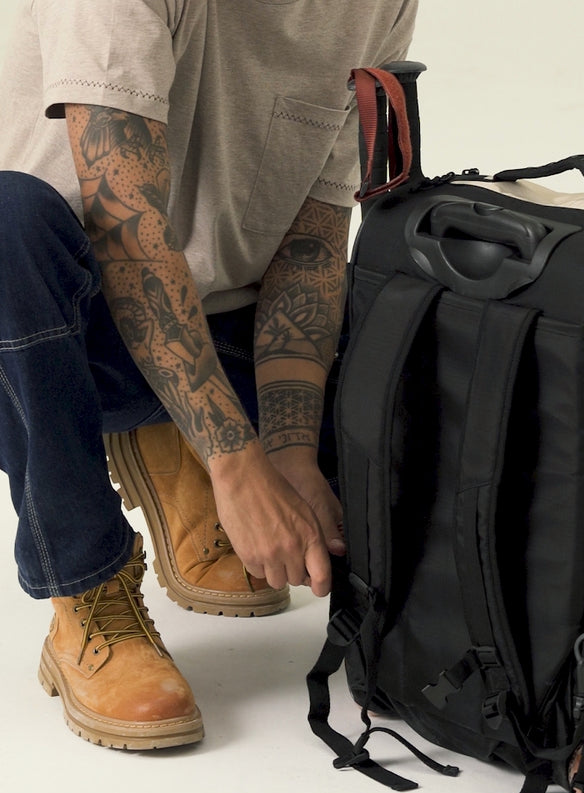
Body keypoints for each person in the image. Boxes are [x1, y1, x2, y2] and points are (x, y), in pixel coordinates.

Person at [0, 0, 418, 749]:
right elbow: (124, 231)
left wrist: (288, 453)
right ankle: (87, 591)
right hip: (50, 323)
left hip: (214, 317)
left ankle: (173, 443)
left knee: (405, 328)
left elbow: (315, 239)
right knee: (5, 224)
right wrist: (238, 465)